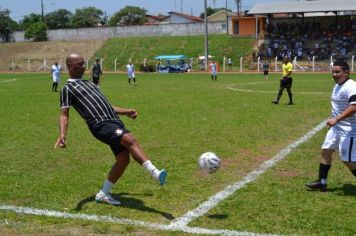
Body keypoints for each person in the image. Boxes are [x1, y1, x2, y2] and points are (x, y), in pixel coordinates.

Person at [54, 53, 167, 205]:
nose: (82, 67)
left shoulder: (89, 84)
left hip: (114, 121)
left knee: (123, 159)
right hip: (100, 125)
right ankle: (155, 173)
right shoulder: (67, 89)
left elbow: (107, 106)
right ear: (70, 67)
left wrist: (126, 111)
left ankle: (103, 193)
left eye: (83, 64)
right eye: (78, 65)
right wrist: (62, 135)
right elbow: (64, 114)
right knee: (130, 140)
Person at [305, 60, 356, 192]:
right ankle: (322, 182)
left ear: (347, 72)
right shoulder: (338, 85)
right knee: (326, 150)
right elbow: (338, 107)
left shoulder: (351, 86)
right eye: (333, 72)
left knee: (348, 161)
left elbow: (354, 106)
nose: (334, 74)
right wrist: (333, 119)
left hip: (350, 130)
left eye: (337, 72)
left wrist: (336, 119)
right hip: (337, 127)